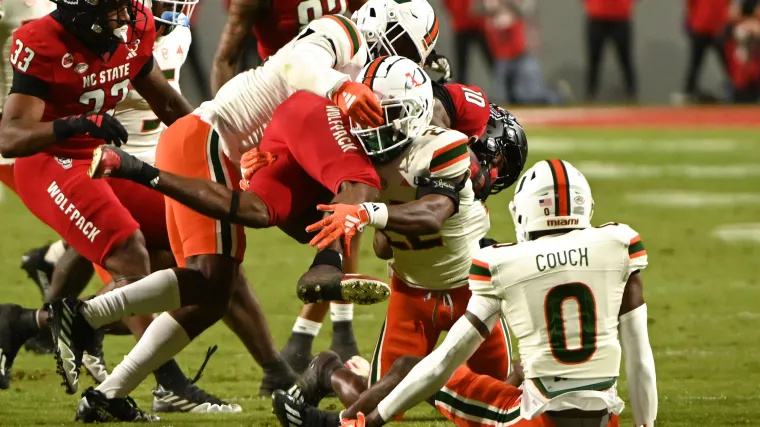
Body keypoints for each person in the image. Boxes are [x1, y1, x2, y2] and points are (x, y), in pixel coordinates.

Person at [275, 159, 658, 427]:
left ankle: (342, 422)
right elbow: (640, 359)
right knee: (522, 372)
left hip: (533, 420)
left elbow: (442, 363)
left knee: (411, 367)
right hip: (604, 419)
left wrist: (370, 420)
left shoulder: (504, 262)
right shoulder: (620, 244)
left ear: (524, 212)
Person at [281, 56, 528, 415]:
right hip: (410, 290)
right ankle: (328, 371)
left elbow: (432, 214)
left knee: (499, 395)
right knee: (383, 404)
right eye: (371, 111)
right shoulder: (357, 151)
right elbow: (382, 247)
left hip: (469, 288)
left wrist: (370, 212)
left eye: (388, 113)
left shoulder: (444, 146)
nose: (374, 123)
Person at [210, 0, 369, 95]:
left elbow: (371, 18)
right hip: (287, 93)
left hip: (343, 80)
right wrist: (224, 124)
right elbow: (225, 61)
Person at [583, 0, 638, 102]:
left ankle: (632, 96)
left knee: (625, 59)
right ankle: (590, 97)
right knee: (594, 60)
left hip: (621, 17)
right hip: (596, 16)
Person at [682, 0, 732, 101]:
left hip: (719, 27)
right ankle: (689, 91)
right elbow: (688, 5)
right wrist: (688, 21)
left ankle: (736, 89)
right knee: (696, 62)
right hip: (700, 26)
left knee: (729, 62)